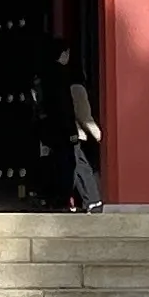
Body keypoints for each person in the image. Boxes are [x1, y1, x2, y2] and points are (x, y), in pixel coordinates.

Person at [45, 38, 103, 208]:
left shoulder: (47, 77)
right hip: (71, 129)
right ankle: (92, 199)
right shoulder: (70, 80)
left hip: (53, 128)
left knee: (63, 164)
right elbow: (82, 114)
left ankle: (64, 200)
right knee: (79, 164)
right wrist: (97, 133)